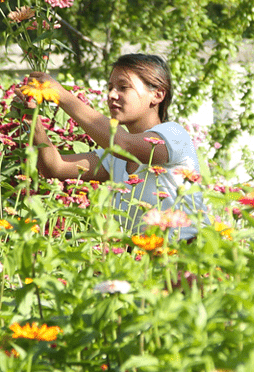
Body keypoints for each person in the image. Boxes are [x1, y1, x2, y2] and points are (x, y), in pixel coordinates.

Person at [16, 54, 206, 240]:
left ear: (157, 95)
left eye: (123, 87)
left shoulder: (173, 134)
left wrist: (61, 95)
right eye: (110, 87)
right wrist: (33, 121)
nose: (112, 95)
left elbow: (123, 144)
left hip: (184, 259)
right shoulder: (115, 157)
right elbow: (54, 167)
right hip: (142, 260)